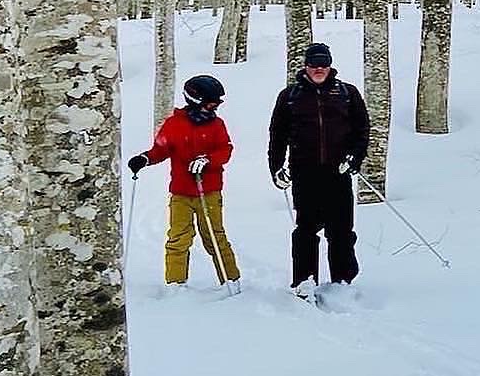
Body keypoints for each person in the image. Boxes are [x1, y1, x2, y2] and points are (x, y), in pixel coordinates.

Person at [267, 43, 369, 297]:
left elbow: (362, 131)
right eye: (314, 64)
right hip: (305, 173)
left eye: (323, 64)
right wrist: (276, 167)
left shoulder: (347, 93)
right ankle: (304, 281)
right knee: (305, 229)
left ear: (330, 66)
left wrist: (355, 158)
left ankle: (342, 282)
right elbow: (277, 135)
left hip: (339, 173)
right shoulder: (290, 96)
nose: (319, 69)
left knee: (341, 230)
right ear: (306, 66)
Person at [128, 74, 242, 294]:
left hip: (209, 191)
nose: (214, 107)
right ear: (195, 100)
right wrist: (145, 158)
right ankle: (176, 284)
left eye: (217, 103)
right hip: (181, 193)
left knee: (214, 236)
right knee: (178, 237)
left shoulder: (217, 124)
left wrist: (207, 160)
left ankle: (231, 280)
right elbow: (161, 149)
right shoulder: (174, 124)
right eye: (211, 102)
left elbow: (225, 149)